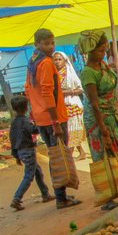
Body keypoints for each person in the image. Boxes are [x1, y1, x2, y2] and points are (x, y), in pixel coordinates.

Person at [78, 30, 118, 210]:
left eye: (104, 50)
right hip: (98, 119)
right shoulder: (88, 73)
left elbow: (111, 94)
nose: (103, 54)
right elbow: (94, 103)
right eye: (99, 51)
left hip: (112, 114)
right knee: (104, 156)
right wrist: (102, 129)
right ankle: (107, 198)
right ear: (90, 51)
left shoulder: (103, 67)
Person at [24, 28, 81, 209]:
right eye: (46, 43)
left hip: (42, 118)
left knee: (54, 155)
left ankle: (60, 195)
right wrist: (56, 122)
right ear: (37, 44)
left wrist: (37, 110)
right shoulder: (46, 63)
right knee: (60, 155)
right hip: (53, 117)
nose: (50, 47)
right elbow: (48, 92)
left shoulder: (33, 62)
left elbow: (28, 89)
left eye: (52, 43)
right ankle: (60, 197)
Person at [9, 96, 54, 210]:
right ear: (25, 108)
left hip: (20, 151)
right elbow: (33, 130)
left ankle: (45, 194)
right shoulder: (25, 121)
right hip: (28, 150)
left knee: (38, 172)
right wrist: (40, 123)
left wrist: (16, 156)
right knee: (29, 176)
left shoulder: (14, 123)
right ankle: (17, 198)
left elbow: (12, 139)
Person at [53, 51, 87, 161]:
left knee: (72, 129)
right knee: (69, 131)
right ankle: (81, 152)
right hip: (61, 106)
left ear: (65, 61)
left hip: (72, 104)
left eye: (59, 59)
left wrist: (68, 93)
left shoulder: (70, 74)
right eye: (55, 60)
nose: (57, 62)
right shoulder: (54, 75)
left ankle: (70, 155)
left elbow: (81, 89)